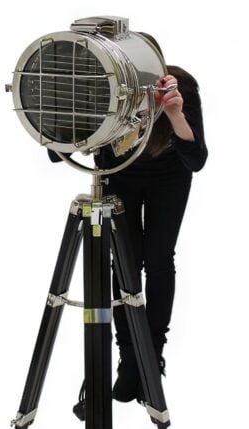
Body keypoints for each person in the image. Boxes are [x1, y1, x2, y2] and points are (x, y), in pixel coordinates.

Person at [47, 32, 208, 404]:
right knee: (125, 265)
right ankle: (129, 359)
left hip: (170, 176)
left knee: (159, 259)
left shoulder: (181, 86)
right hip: (120, 176)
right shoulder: (104, 89)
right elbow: (56, 153)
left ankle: (151, 355)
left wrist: (175, 113)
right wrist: (70, 106)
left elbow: (196, 159)